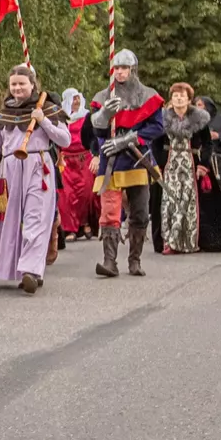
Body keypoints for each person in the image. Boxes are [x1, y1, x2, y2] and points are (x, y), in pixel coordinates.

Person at [0, 66, 71, 293]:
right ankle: (16, 268)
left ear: (32, 84)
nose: (17, 88)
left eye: (22, 84)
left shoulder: (47, 108)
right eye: (14, 84)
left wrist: (44, 120)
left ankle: (31, 270)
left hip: (39, 166)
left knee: (35, 219)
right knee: (7, 220)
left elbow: (65, 139)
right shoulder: (3, 113)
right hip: (9, 170)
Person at [87, 49, 165, 278]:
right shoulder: (103, 96)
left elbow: (157, 127)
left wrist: (127, 139)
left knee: (140, 212)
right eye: (116, 68)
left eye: (124, 68)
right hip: (111, 159)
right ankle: (109, 262)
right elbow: (96, 130)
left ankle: (135, 261)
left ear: (133, 70)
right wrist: (102, 115)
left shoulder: (148, 96)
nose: (119, 72)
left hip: (137, 157)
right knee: (109, 211)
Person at [161, 83, 211, 254]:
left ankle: (187, 242)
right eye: (175, 95)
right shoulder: (164, 119)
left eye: (182, 95)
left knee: (187, 202)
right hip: (170, 164)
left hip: (191, 164)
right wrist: (159, 164)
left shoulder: (199, 118)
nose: (179, 98)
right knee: (171, 201)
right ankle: (170, 242)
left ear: (189, 99)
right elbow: (156, 143)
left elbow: (208, 143)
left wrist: (203, 164)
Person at [58, 89, 99, 240]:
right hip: (67, 161)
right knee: (67, 195)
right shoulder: (62, 118)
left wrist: (96, 154)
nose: (76, 101)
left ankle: (85, 223)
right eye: (73, 99)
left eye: (78, 98)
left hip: (84, 159)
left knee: (86, 193)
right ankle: (70, 229)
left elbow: (93, 136)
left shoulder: (86, 116)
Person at [195, 97, 221, 252]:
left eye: (201, 105)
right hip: (202, 160)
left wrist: (218, 137)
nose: (198, 107)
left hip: (220, 158)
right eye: (196, 105)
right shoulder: (195, 120)